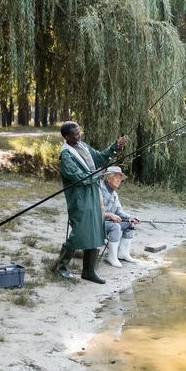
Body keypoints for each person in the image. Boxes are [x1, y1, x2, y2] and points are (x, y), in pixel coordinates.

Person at [56, 121, 127, 284]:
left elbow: (100, 158)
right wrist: (97, 175)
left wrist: (115, 146)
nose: (79, 135)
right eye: (75, 133)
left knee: (96, 229)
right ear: (67, 136)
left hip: (93, 194)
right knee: (80, 230)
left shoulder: (83, 146)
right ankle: (61, 266)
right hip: (79, 198)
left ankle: (88, 271)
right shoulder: (66, 154)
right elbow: (76, 176)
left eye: (79, 132)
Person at [100, 166, 140, 267]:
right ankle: (112, 257)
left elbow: (119, 211)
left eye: (120, 178)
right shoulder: (98, 189)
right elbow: (93, 211)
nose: (119, 180)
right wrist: (109, 215)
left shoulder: (114, 193)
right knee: (116, 226)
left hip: (108, 222)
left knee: (129, 224)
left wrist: (130, 218)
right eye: (116, 177)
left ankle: (123, 253)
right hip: (97, 222)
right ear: (108, 178)